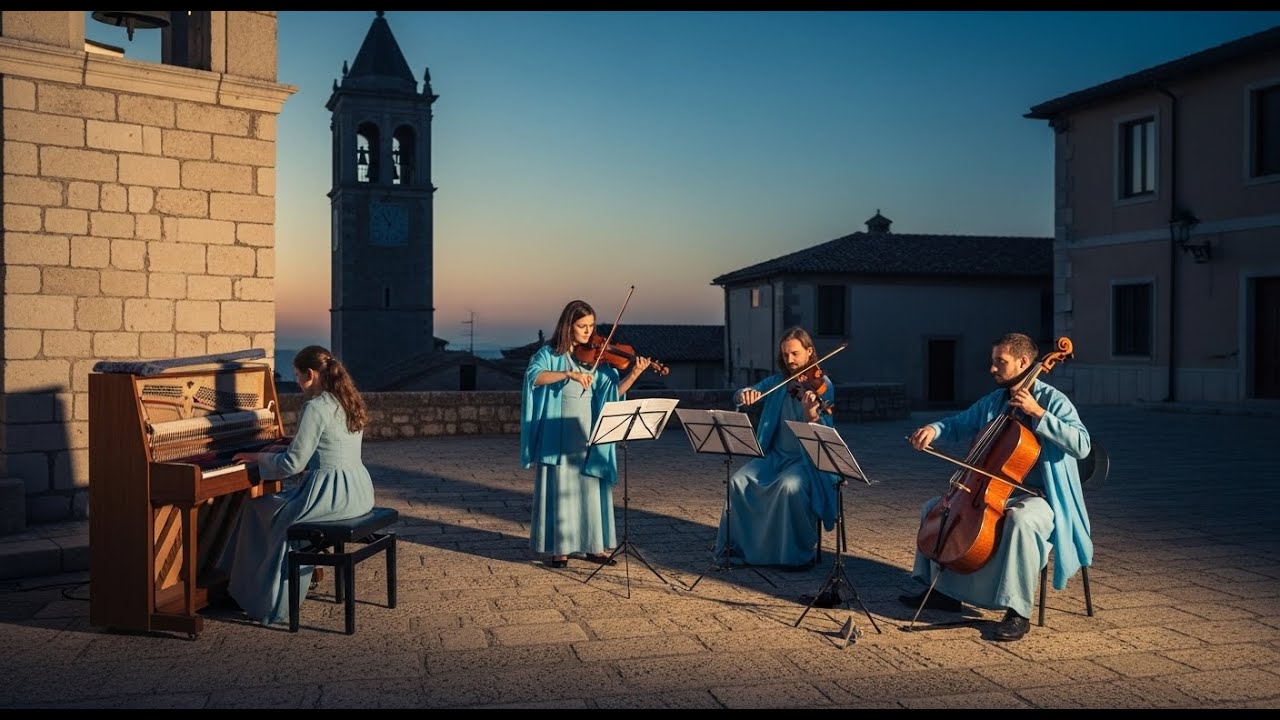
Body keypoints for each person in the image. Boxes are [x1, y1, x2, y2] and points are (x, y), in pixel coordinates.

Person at [901, 332, 1092, 642]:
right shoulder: (995, 401)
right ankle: (943, 591)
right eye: (992, 362)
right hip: (997, 491)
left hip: (1044, 497)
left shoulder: (1054, 401)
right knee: (935, 508)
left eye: (999, 362)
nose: (992, 368)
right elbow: (960, 423)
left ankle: (1018, 611)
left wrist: (1038, 414)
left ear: (1023, 362)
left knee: (1018, 521)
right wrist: (933, 430)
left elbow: (1082, 445)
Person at [219, 345, 375, 626]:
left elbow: (293, 465)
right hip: (359, 491)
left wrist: (258, 457)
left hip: (330, 495)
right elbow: (327, 445)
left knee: (257, 509)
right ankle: (256, 583)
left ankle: (258, 595)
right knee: (275, 507)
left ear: (311, 374)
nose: (297, 382)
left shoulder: (315, 407)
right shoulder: (347, 400)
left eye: (297, 375)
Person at [520, 299, 652, 569]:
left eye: (591, 326)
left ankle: (594, 546)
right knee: (562, 488)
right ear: (568, 325)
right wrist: (567, 373)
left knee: (590, 487)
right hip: (557, 432)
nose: (588, 332)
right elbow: (533, 377)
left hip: (587, 432)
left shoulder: (597, 359)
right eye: (582, 326)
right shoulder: (550, 355)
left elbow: (612, 393)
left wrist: (635, 373)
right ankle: (561, 549)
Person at [714, 326, 840, 570]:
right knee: (738, 480)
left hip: (807, 460)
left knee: (788, 486)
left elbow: (824, 428)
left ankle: (793, 555)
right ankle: (742, 548)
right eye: (785, 355)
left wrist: (811, 413)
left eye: (794, 353)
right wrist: (745, 395)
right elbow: (741, 393)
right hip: (774, 456)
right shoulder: (778, 382)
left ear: (809, 352)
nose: (790, 360)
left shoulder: (822, 384)